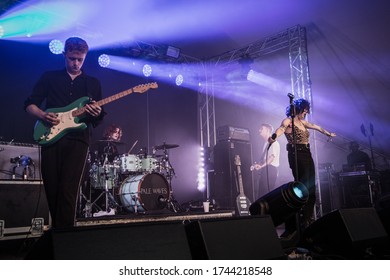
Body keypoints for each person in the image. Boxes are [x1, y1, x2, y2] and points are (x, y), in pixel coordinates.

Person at [24, 37, 105, 228]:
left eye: (80, 59)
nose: (75, 63)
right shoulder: (50, 77)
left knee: (68, 190)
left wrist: (97, 112)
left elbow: (98, 118)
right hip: (50, 138)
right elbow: (29, 104)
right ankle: (59, 233)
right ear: (64, 55)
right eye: (71, 58)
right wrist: (43, 115)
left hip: (78, 140)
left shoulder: (92, 83)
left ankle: (66, 237)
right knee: (52, 188)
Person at [269, 98, 336, 237]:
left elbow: (317, 127)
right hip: (296, 153)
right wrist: (274, 136)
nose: (306, 112)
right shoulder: (289, 121)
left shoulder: (303, 122)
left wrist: (328, 133)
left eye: (307, 110)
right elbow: (281, 129)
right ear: (298, 109)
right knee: (303, 186)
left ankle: (307, 219)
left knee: (312, 188)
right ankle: (299, 221)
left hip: (307, 153)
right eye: (304, 110)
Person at [251, 123, 280, 198]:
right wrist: (257, 165)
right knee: (261, 193)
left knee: (267, 193)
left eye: (261, 129)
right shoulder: (266, 143)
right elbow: (265, 159)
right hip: (265, 169)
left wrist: (261, 166)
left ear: (267, 130)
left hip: (271, 170)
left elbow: (271, 158)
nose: (259, 130)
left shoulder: (273, 142)